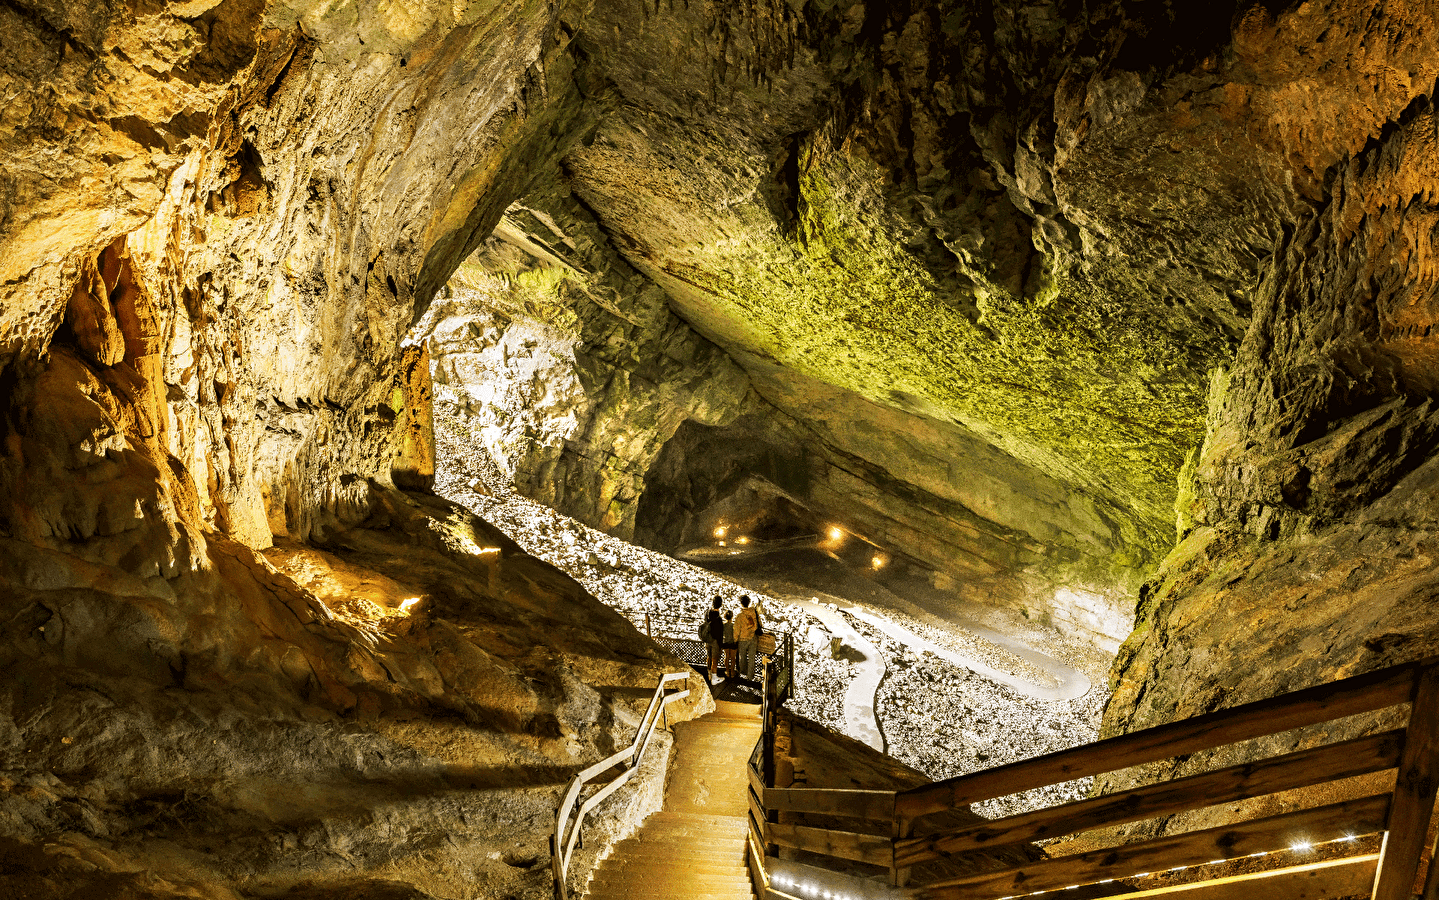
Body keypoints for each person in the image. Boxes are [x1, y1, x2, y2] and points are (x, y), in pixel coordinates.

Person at [734, 594, 761, 682]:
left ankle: (743, 674)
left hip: (742, 639)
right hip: (753, 638)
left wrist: (734, 640)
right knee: (752, 658)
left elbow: (736, 630)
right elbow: (760, 624)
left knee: (742, 658)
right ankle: (750, 677)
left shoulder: (739, 616)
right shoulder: (754, 612)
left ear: (741, 604)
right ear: (749, 603)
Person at [705, 597, 724, 685]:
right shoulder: (718, 619)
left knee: (709, 656)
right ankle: (714, 678)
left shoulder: (707, 613)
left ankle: (709, 674)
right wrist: (721, 646)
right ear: (720, 605)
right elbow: (719, 634)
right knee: (715, 659)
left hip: (707, 639)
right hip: (715, 641)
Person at [722, 610, 737, 679]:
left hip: (725, 642)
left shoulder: (723, 625)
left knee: (727, 657)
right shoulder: (734, 626)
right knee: (733, 658)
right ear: (732, 617)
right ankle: (732, 672)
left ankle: (727, 671)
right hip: (733, 643)